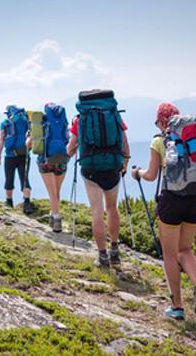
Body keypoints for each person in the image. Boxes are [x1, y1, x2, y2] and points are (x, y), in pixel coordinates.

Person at [131, 102, 196, 320]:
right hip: (195, 199)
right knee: (185, 249)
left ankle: (177, 307)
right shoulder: (195, 139)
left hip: (172, 200)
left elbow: (152, 175)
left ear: (162, 121)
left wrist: (137, 173)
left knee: (169, 255)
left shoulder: (159, 141)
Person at [66, 89, 130, 268]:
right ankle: (115, 251)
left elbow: (70, 148)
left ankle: (102, 256)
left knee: (97, 212)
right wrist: (124, 164)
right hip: (112, 167)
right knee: (112, 208)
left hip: (91, 168)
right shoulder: (115, 116)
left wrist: (69, 153)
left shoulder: (81, 119)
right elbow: (125, 144)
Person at [26, 103, 69, 233]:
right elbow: (68, 139)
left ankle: (56, 219)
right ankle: (52, 214)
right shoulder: (63, 122)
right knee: (57, 191)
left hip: (45, 160)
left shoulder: (39, 123)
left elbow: (29, 145)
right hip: (61, 159)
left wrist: (29, 138)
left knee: (52, 192)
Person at [0, 105, 33, 214]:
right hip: (24, 154)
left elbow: (1, 139)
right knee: (24, 178)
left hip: (10, 155)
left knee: (9, 178)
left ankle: (9, 203)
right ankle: (27, 203)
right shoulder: (27, 121)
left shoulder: (5, 123)